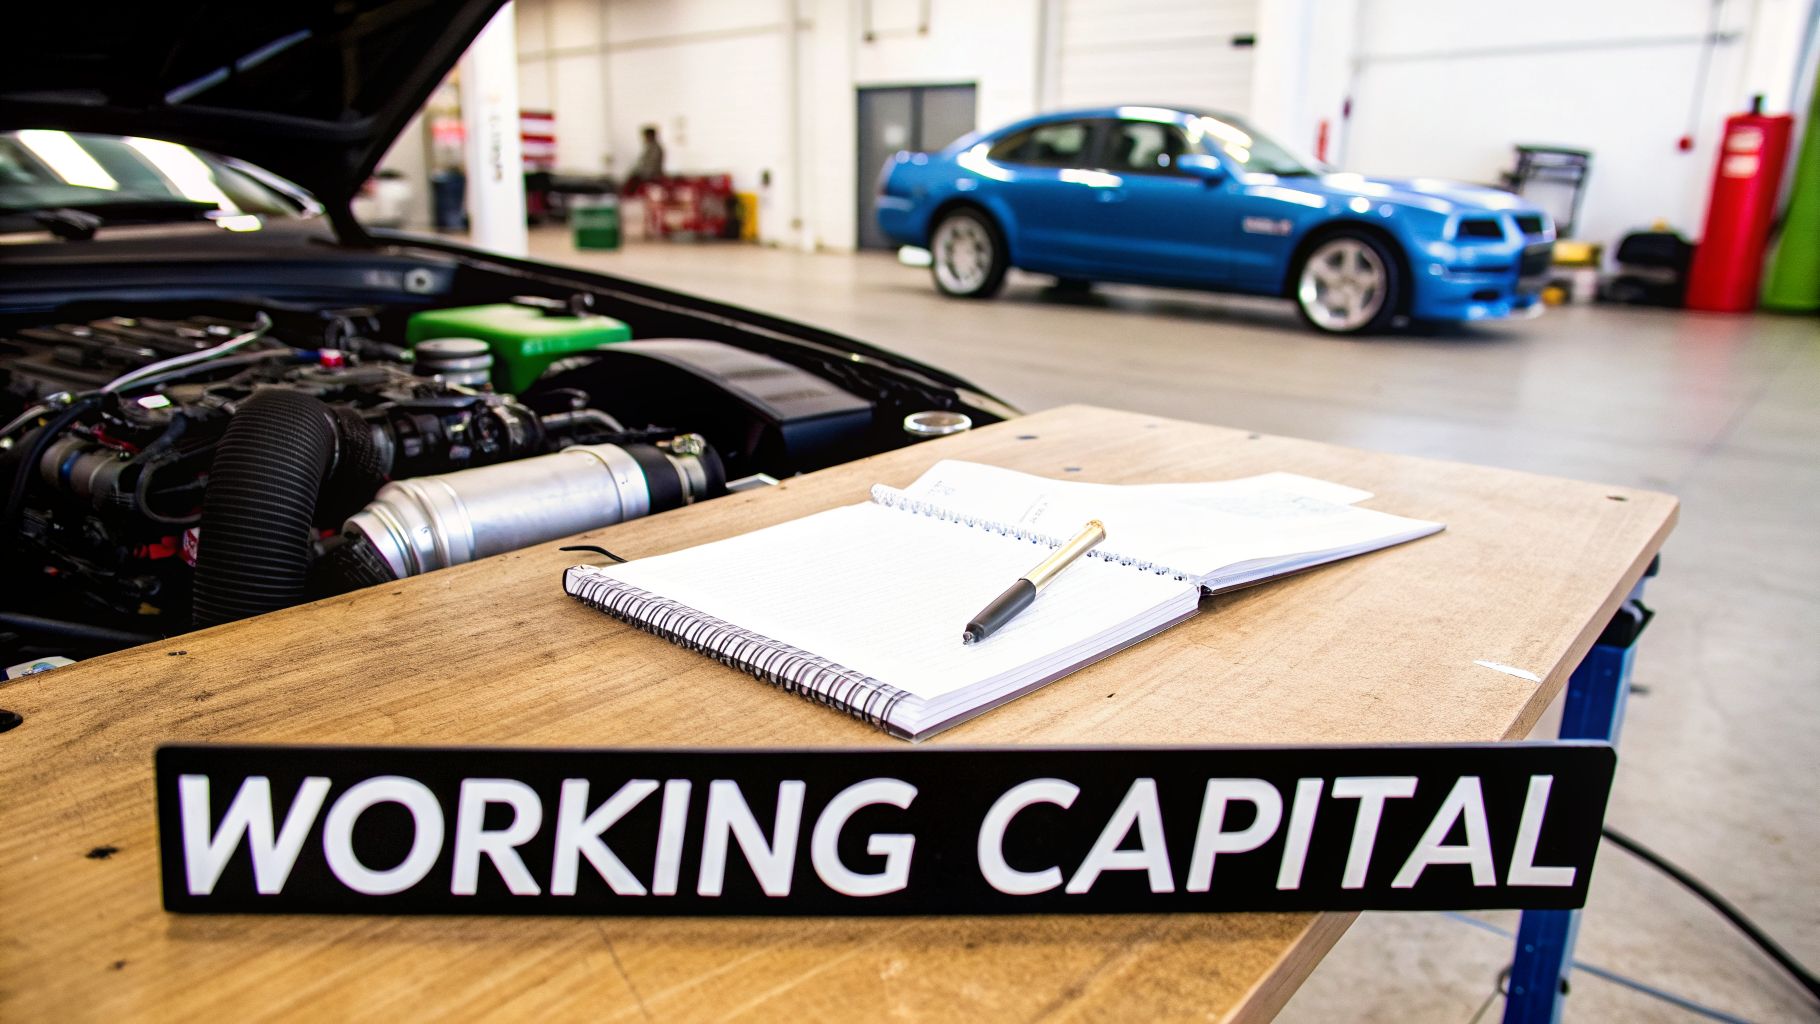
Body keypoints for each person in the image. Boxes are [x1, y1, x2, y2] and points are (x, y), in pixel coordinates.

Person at [623, 125, 665, 195]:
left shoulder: (655, 148)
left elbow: (651, 165)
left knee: (632, 183)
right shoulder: (649, 147)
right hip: (645, 174)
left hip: (651, 176)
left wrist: (640, 174)